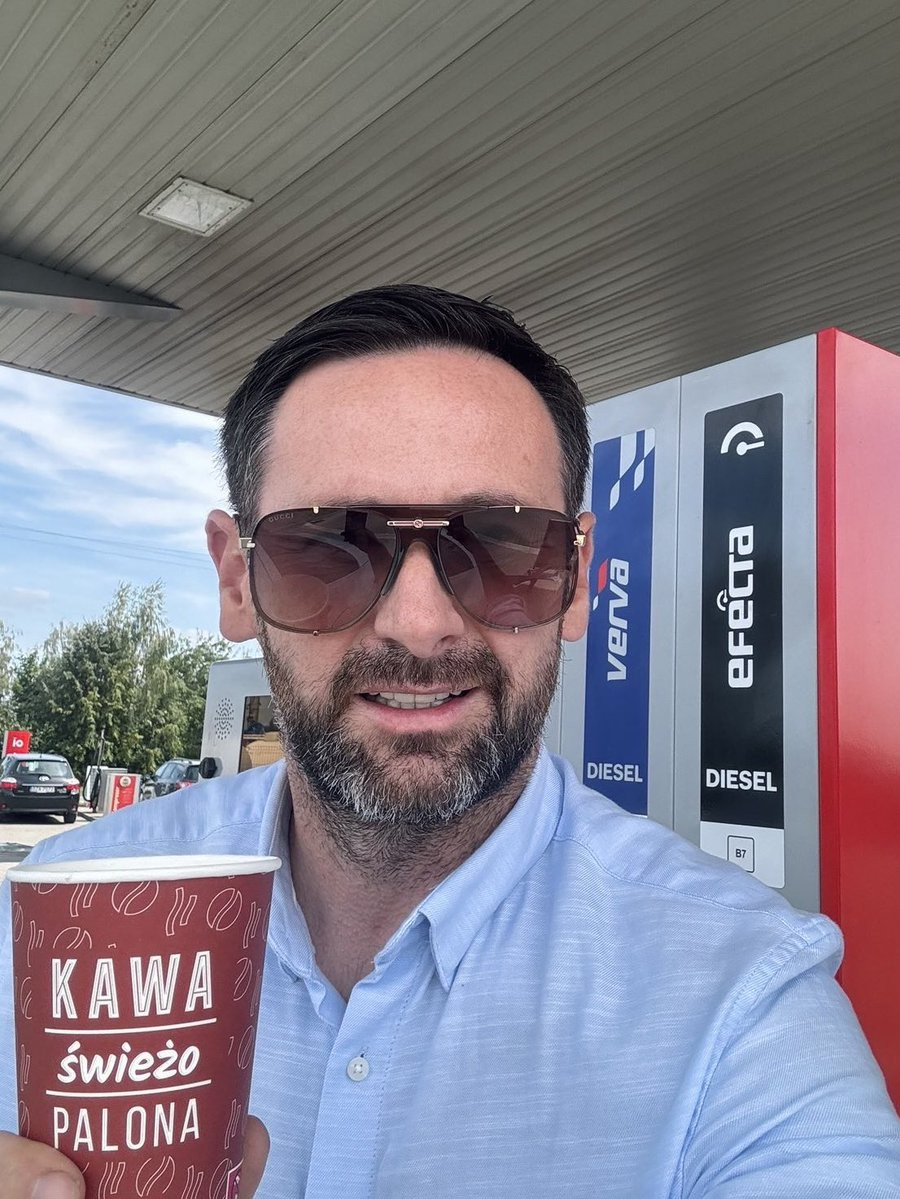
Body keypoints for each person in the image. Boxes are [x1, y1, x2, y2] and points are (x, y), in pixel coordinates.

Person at [1, 285, 898, 1198]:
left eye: (502, 545)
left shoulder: (738, 1002)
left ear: (578, 578)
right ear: (237, 580)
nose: (419, 623)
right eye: (330, 546)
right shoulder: (38, 935)